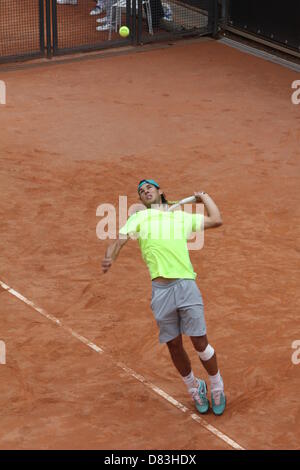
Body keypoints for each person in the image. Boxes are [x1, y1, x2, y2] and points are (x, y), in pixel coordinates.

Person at [102, 179, 226, 415]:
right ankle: (194, 387)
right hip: (160, 292)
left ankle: (217, 386)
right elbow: (118, 241)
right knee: (174, 345)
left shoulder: (179, 216)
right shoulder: (139, 218)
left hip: (186, 285)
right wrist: (110, 257)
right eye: (141, 191)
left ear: (160, 192)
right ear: (141, 200)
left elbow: (216, 220)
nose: (145, 191)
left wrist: (204, 196)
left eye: (149, 187)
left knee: (200, 343)